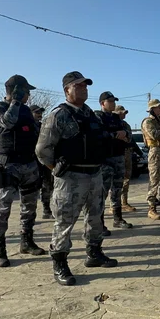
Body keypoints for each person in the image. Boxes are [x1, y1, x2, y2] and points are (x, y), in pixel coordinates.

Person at [36, 71, 118, 286]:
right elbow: (43, 150)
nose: (84, 89)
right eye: (79, 86)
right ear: (67, 90)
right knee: (65, 221)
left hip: (95, 173)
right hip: (71, 177)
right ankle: (60, 263)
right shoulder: (58, 115)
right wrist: (59, 168)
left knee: (95, 217)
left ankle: (94, 253)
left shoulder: (90, 113)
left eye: (85, 86)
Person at [0, 75, 46, 267]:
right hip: (8, 164)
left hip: (29, 164)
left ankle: (26, 241)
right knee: (3, 207)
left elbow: (37, 133)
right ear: (16, 91)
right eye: (26, 91)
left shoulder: (27, 111)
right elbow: (7, 122)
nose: (28, 95)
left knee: (29, 206)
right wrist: (14, 102)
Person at [95, 92, 134, 234]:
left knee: (117, 189)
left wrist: (124, 135)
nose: (112, 103)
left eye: (113, 101)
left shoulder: (117, 119)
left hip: (119, 156)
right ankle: (99, 224)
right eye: (109, 101)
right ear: (102, 103)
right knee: (102, 192)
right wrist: (115, 135)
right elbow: (99, 135)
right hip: (105, 159)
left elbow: (127, 135)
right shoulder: (98, 117)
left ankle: (118, 219)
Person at [141, 99, 160, 220]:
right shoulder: (148, 121)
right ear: (152, 109)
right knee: (154, 181)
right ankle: (151, 208)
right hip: (155, 152)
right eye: (158, 107)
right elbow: (155, 135)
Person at [114, 105, 140, 212]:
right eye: (122, 112)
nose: (124, 114)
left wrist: (138, 152)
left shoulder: (126, 125)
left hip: (127, 153)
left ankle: (124, 202)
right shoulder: (112, 123)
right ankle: (114, 205)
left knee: (126, 178)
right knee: (115, 180)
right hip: (117, 154)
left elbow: (130, 139)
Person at [30, 105, 53, 219]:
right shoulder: (27, 126)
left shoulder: (42, 126)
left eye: (40, 112)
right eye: (37, 112)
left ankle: (46, 209)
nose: (39, 114)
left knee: (47, 185)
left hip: (43, 161)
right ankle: (29, 213)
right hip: (32, 161)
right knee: (32, 188)